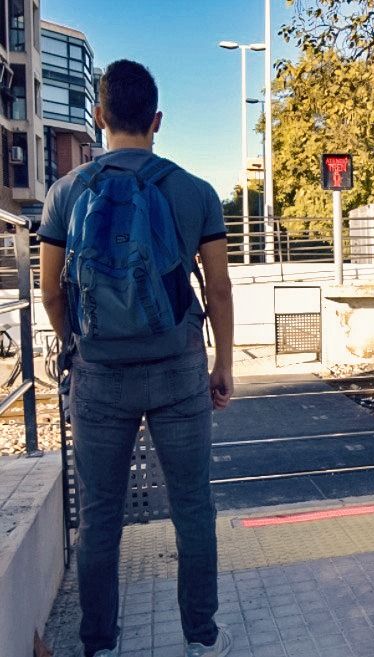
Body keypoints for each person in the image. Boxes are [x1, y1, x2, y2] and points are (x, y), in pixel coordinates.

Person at [38, 60, 234, 657]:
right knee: (193, 507)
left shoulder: (65, 193)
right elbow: (220, 287)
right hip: (178, 373)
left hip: (98, 378)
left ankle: (100, 645)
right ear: (157, 121)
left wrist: (78, 345)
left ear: (99, 117)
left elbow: (50, 291)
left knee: (99, 518)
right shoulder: (195, 191)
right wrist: (222, 363)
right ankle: (201, 640)